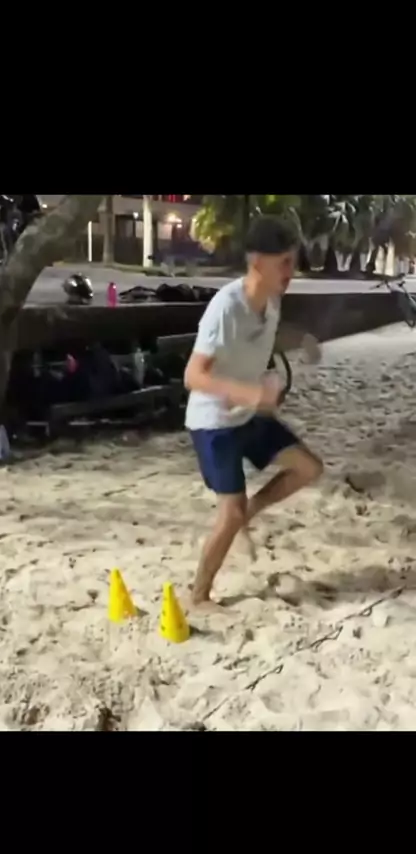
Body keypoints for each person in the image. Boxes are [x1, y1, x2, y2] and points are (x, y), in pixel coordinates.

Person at [184, 215, 323, 615]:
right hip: (214, 423)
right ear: (258, 262)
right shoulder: (225, 308)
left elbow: (268, 334)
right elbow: (193, 376)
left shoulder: (271, 302)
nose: (291, 271)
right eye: (285, 262)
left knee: (308, 468)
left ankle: (253, 510)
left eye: (293, 261)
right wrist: (249, 393)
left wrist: (302, 339)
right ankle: (198, 597)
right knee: (229, 516)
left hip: (249, 415)